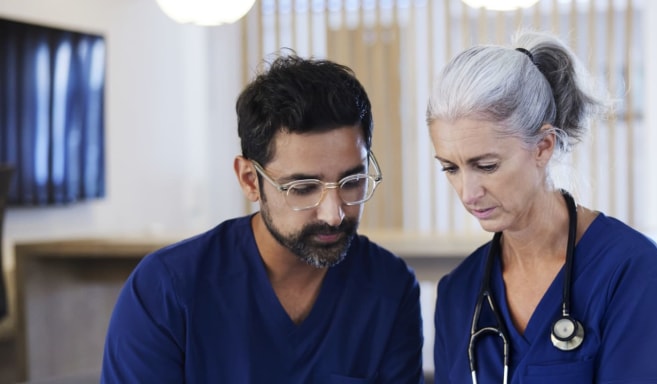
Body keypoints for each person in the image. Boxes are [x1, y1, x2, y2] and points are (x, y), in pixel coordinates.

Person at [101, 55, 424, 383]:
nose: (334, 214)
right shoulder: (166, 291)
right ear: (249, 180)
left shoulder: (389, 288)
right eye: (303, 188)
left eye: (352, 182)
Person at [427, 31, 657, 383]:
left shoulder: (631, 273)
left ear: (543, 146)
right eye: (450, 168)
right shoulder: (458, 293)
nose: (467, 193)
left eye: (486, 166)